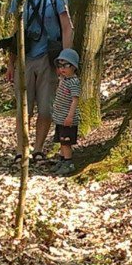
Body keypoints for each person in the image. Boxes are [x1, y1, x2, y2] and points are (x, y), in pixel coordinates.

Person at [6, 0, 74, 163]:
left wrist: (65, 61)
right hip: (25, 58)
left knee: (45, 107)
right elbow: (15, 31)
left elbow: (67, 28)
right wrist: (11, 62)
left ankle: (38, 149)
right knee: (22, 108)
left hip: (48, 58)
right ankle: (20, 150)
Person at [51, 48, 81, 176]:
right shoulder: (63, 80)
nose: (62, 68)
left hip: (67, 119)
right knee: (61, 140)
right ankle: (62, 160)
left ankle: (68, 162)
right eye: (60, 65)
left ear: (74, 66)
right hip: (60, 118)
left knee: (66, 141)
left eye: (66, 65)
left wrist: (70, 116)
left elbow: (75, 100)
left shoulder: (74, 82)